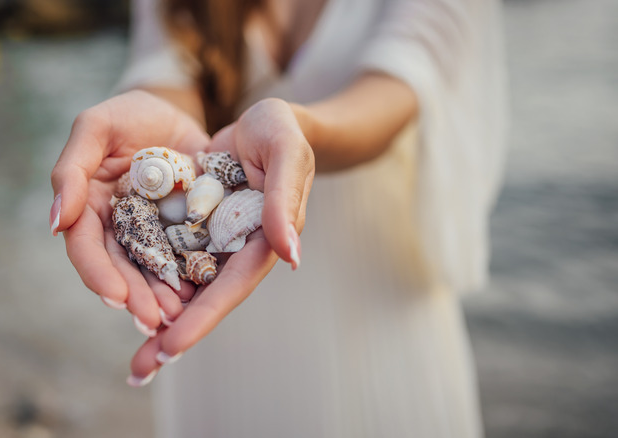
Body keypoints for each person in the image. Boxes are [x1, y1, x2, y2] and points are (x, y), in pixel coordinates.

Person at [49, 0, 507, 436]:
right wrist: (151, 131)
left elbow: (399, 87)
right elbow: (167, 73)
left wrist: (296, 131)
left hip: (376, 299)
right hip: (227, 307)